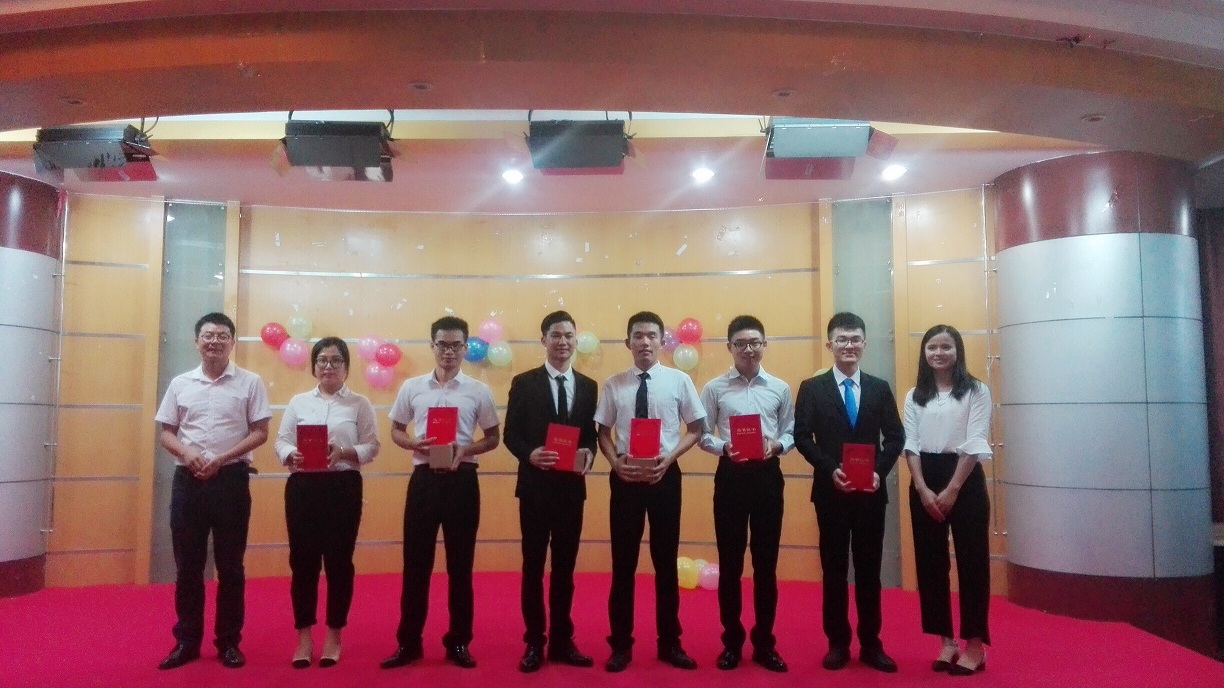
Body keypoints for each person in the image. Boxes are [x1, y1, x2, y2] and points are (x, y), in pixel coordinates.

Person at [381, 316, 500, 670]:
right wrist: (412, 443)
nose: (449, 351)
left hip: (462, 480)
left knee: (460, 567)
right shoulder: (412, 387)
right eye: (442, 345)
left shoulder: (478, 391)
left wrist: (467, 449)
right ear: (432, 346)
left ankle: (458, 642)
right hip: (424, 480)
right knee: (415, 565)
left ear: (465, 347)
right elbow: (396, 430)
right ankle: (409, 643)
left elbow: (493, 438)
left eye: (456, 345)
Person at [154, 312, 271, 670]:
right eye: (208, 335)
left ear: (232, 342)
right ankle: (187, 641)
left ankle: (229, 643)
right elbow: (166, 432)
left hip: (231, 479)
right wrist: (187, 453)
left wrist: (222, 457)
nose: (215, 341)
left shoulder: (250, 382)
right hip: (188, 481)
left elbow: (260, 431)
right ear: (196, 341)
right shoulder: (180, 383)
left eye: (222, 335)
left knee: (231, 565)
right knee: (187, 566)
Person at [594, 311, 706, 672]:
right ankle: (620, 645)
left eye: (651, 335)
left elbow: (697, 427)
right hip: (625, 479)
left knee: (665, 563)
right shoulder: (614, 384)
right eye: (638, 336)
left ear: (662, 341)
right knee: (623, 564)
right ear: (627, 342)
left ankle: (670, 643)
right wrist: (615, 463)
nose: (645, 342)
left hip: (664, 477)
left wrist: (669, 458)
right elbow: (602, 433)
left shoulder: (679, 380)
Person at [794, 311, 904, 673]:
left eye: (855, 339)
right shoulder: (812, 388)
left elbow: (896, 437)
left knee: (870, 572)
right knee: (834, 570)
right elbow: (801, 437)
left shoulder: (879, 388)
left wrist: (878, 472)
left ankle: (871, 644)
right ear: (830, 344)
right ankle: (837, 643)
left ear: (864, 344)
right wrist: (830, 469)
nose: (849, 345)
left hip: (870, 493)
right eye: (842, 339)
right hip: (831, 494)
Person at [274, 337, 380, 669]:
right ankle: (304, 637)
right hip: (303, 487)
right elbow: (281, 440)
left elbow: (372, 446)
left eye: (336, 360)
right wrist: (290, 454)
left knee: (338, 563)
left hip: (342, 487)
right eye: (322, 360)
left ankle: (334, 635)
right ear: (314, 366)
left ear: (346, 367)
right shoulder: (298, 402)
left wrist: (345, 452)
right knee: (302, 563)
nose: (328, 366)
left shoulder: (360, 403)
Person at [503, 311, 598, 672]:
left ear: (576, 340)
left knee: (565, 569)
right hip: (535, 490)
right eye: (555, 335)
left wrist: (588, 453)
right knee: (533, 567)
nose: (562, 342)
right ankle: (534, 642)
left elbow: (590, 435)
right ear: (543, 340)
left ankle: (561, 641)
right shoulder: (524, 382)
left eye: (569, 335)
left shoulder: (588, 386)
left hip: (571, 491)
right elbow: (511, 433)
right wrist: (530, 453)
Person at [697, 315, 793, 673]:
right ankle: (732, 643)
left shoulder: (780, 388)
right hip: (731, 476)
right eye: (741, 343)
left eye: (754, 342)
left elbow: (791, 430)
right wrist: (723, 447)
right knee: (731, 564)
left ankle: (765, 643)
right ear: (730, 347)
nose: (748, 349)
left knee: (766, 566)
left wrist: (777, 445)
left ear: (764, 345)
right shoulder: (714, 388)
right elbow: (702, 433)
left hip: (768, 476)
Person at [902, 324, 993, 676]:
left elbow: (975, 440)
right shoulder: (915, 395)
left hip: (964, 479)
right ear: (924, 352)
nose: (938, 353)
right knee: (931, 565)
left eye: (946, 347)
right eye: (932, 347)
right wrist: (922, 489)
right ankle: (946, 642)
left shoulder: (977, 391)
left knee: (973, 563)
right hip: (924, 478)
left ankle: (975, 646)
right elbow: (910, 444)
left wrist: (952, 489)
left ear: (958, 351)